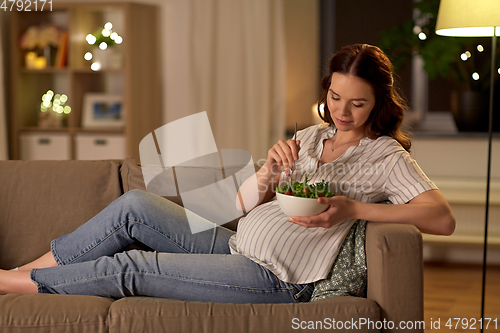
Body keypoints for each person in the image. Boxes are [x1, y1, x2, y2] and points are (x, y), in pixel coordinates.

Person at [0, 44, 455, 302]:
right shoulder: (311, 137)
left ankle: (9, 283)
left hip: (277, 277)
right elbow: (237, 205)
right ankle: (19, 274)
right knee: (135, 206)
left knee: (130, 266)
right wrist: (269, 174)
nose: (342, 111)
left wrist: (354, 209)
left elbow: (442, 218)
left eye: (357, 103)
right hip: (236, 242)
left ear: (378, 101)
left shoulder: (385, 156)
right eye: (335, 97)